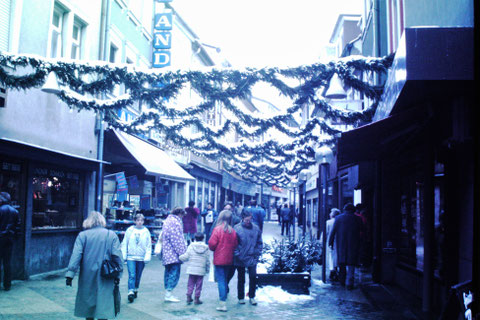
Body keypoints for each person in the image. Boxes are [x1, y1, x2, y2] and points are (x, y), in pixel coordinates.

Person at [66, 211, 123, 320]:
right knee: (104, 303)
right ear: (102, 221)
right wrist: (118, 274)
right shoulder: (111, 235)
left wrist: (70, 274)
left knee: (88, 303)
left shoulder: (83, 236)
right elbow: (117, 257)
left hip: (87, 275)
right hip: (106, 275)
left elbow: (76, 255)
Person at [208, 210, 238, 312]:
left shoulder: (217, 229)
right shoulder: (232, 231)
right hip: (229, 259)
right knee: (225, 279)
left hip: (219, 258)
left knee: (220, 280)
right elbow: (235, 245)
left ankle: (222, 303)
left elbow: (212, 244)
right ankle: (223, 299)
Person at [328, 203, 363, 290]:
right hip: (354, 244)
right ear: (353, 210)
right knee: (351, 265)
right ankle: (349, 283)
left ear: (344, 209)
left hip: (341, 244)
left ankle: (342, 281)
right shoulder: (358, 218)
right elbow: (363, 231)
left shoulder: (338, 218)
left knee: (342, 264)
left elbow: (333, 232)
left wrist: (330, 243)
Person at [233, 209, 262, 305]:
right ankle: (240, 297)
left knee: (253, 277)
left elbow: (259, 242)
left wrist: (257, 253)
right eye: (246, 220)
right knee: (241, 278)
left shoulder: (256, 228)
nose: (248, 222)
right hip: (240, 257)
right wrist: (237, 253)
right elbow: (233, 244)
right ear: (242, 218)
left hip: (252, 256)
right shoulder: (236, 228)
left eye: (250, 220)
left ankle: (252, 296)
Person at [121, 213, 152, 303]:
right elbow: (125, 243)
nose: (139, 222)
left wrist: (147, 256)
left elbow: (148, 245)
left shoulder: (146, 231)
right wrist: (124, 255)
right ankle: (130, 291)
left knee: (138, 276)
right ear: (135, 221)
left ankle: (135, 289)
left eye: (141, 220)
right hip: (131, 257)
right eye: (138, 220)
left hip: (141, 258)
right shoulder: (130, 230)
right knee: (132, 275)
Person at [162, 207, 187, 302]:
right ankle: (169, 293)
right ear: (180, 214)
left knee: (168, 272)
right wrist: (182, 253)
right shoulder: (175, 223)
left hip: (167, 253)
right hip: (173, 254)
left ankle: (168, 293)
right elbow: (177, 240)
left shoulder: (167, 221)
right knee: (174, 273)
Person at [179, 232, 210, 305]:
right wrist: (207, 269)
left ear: (195, 239)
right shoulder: (206, 248)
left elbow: (186, 256)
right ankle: (197, 298)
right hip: (201, 270)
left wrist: (179, 257)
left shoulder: (191, 246)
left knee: (190, 283)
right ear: (203, 238)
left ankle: (189, 296)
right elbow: (207, 260)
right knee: (199, 285)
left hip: (192, 269)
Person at [0, 192, 20, 291]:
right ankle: (7, 284)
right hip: (9, 239)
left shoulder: (0, 210)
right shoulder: (15, 211)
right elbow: (17, 227)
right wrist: (15, 237)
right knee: (7, 263)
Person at [326, 208, 341, 281]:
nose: (329, 214)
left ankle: (332, 271)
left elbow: (325, 233)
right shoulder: (340, 221)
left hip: (330, 240)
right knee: (337, 255)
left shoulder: (328, 222)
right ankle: (336, 269)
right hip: (339, 241)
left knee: (331, 256)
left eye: (331, 212)